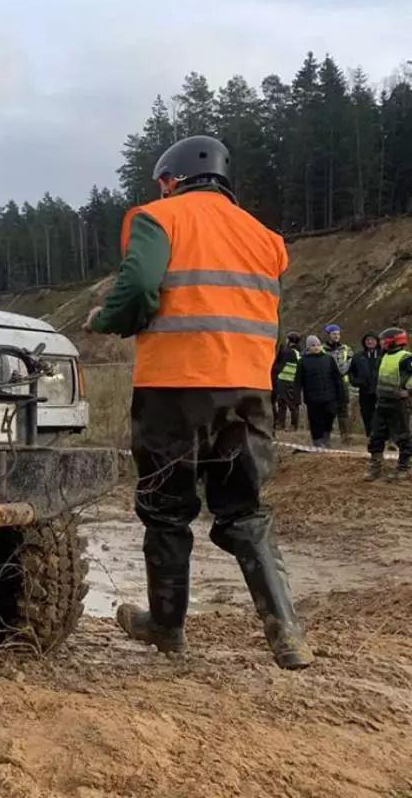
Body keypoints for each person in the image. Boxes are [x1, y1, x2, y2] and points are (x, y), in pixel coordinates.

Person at [82, 134, 313, 670]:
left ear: (173, 178)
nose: (161, 189)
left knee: (166, 510)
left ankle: (166, 627)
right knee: (246, 512)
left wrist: (108, 319)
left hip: (175, 388)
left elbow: (139, 285)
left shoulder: (160, 217)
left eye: (163, 182)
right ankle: (288, 635)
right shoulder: (268, 239)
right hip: (250, 389)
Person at [365, 327, 412, 482]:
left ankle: (404, 467)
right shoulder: (384, 356)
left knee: (403, 436)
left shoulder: (405, 357)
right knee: (376, 435)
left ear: (394, 341)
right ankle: (375, 466)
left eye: (385, 341)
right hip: (382, 402)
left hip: (398, 404)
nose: (383, 343)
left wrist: (407, 389)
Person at [294, 335, 346, 448]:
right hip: (312, 397)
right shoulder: (303, 362)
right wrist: (297, 398)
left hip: (329, 395)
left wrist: (342, 395)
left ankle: (326, 436)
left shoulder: (328, 359)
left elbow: (337, 378)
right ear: (308, 348)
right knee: (315, 419)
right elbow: (298, 381)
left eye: (318, 345)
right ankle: (317, 440)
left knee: (330, 415)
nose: (316, 347)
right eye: (313, 345)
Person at [348, 330, 382, 437]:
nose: (370, 342)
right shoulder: (358, 356)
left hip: (381, 390)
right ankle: (370, 435)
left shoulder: (383, 355)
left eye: (372, 339)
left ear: (377, 341)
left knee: (382, 414)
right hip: (365, 391)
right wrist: (357, 382)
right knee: (367, 414)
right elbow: (351, 373)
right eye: (368, 340)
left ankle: (383, 436)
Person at [323, 324, 353, 443]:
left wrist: (343, 370)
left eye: (338, 334)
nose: (336, 336)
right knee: (327, 410)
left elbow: (351, 362)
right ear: (329, 335)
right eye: (334, 334)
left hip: (342, 384)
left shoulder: (346, 349)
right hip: (328, 384)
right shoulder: (322, 349)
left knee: (343, 410)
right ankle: (326, 437)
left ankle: (345, 436)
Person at [271, 331, 302, 431]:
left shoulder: (289, 352)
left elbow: (279, 365)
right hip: (291, 381)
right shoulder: (298, 352)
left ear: (289, 340)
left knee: (286, 404)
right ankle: (286, 424)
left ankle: (287, 424)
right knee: (286, 403)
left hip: (285, 380)